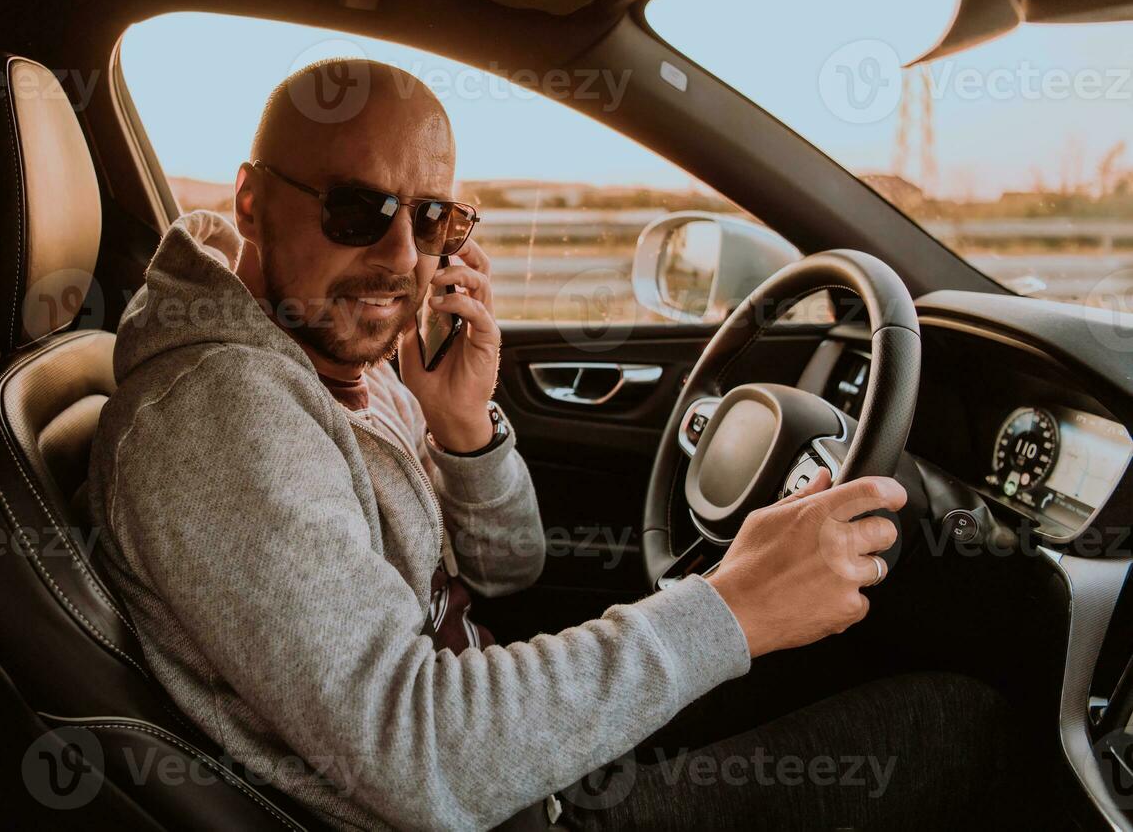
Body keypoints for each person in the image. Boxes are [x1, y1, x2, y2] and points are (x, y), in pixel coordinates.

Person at [86, 59, 1013, 830]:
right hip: (504, 805)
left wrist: (463, 431)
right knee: (961, 725)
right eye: (356, 210)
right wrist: (732, 607)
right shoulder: (221, 414)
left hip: (511, 755)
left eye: (434, 219)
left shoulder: (331, 362)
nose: (405, 259)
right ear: (251, 202)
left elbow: (508, 571)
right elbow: (423, 753)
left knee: (855, 665)